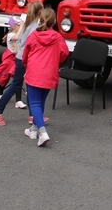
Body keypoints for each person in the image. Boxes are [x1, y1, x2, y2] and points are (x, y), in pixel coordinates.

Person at [0, 1, 44, 126]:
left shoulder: (31, 23)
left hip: (25, 57)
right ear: (40, 12)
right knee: (16, 85)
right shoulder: (33, 25)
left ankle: (33, 116)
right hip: (24, 58)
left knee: (31, 86)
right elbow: (29, 43)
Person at [22, 8, 69, 147]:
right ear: (54, 21)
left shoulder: (33, 36)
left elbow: (25, 54)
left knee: (35, 103)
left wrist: (26, 65)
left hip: (34, 72)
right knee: (40, 102)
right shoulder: (58, 38)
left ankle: (42, 132)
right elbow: (64, 53)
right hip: (50, 73)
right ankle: (34, 129)